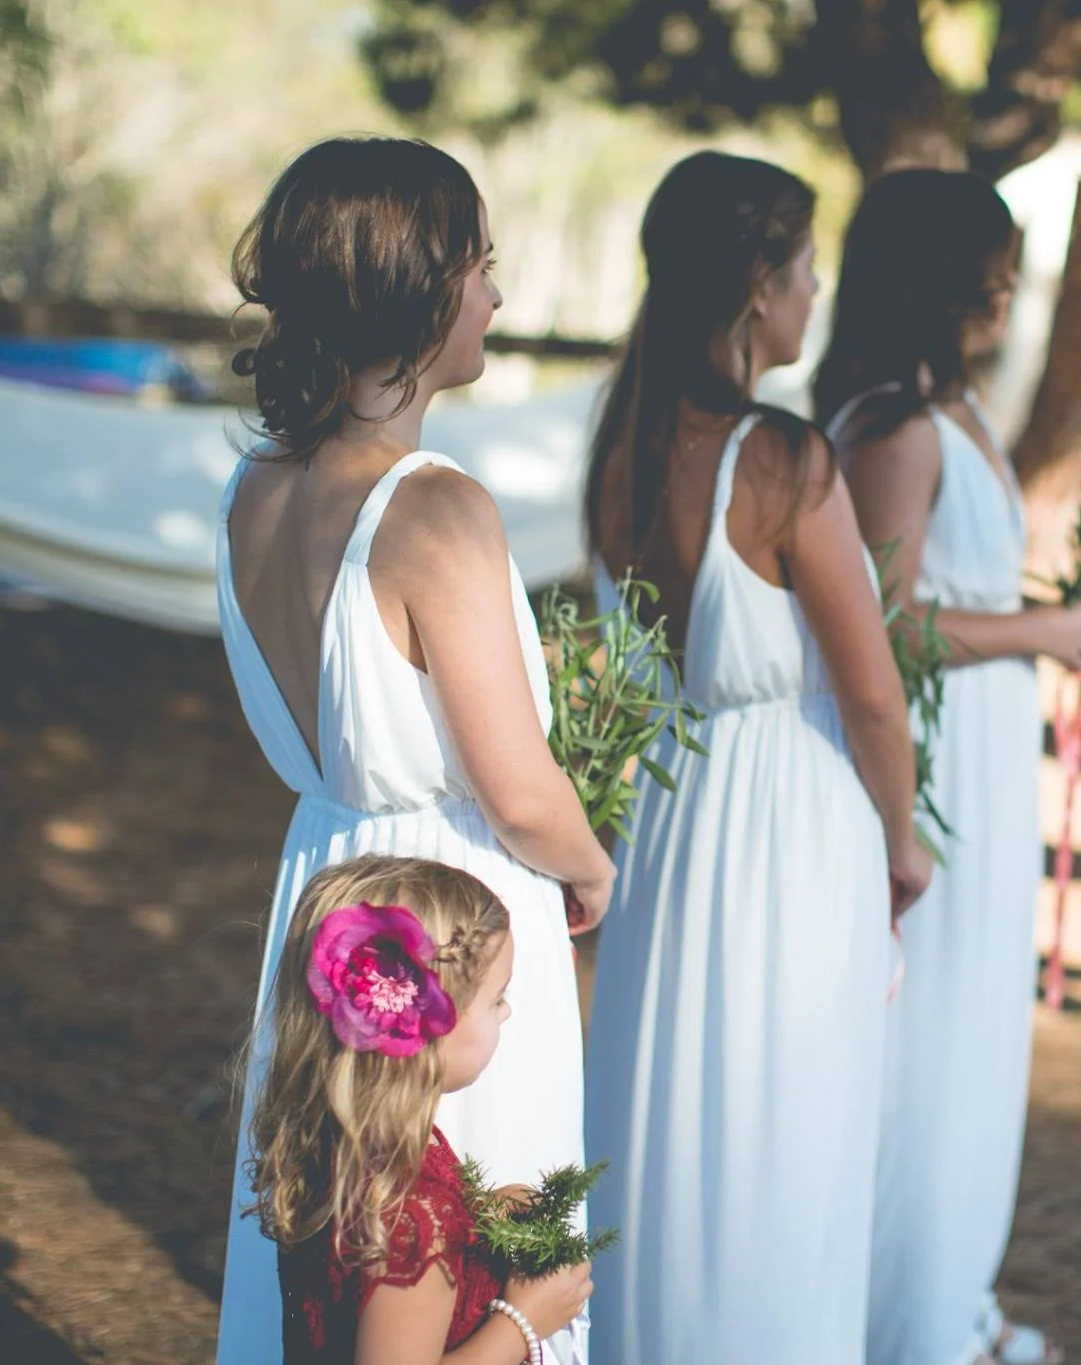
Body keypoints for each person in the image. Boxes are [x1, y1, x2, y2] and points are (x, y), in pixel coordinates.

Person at [215, 137, 614, 1365]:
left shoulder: (256, 489)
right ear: (414, 290)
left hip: (326, 891)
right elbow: (516, 787)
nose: (494, 293)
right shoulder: (434, 505)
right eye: (477, 265)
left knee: (338, 1247)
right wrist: (591, 868)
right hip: (446, 917)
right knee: (459, 1251)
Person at [581, 151, 930, 1365]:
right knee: (783, 1132)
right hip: (788, 828)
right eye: (805, 269)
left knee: (670, 1123)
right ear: (755, 289)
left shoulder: (619, 448)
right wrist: (901, 846)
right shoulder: (781, 460)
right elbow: (871, 695)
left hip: (671, 819)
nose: (816, 294)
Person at [815, 169, 1081, 1365]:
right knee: (931, 1039)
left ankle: (953, 1297)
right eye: (986, 275)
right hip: (933, 758)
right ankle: (909, 1324)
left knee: (978, 1029)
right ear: (930, 282)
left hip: (987, 744)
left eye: (1008, 274)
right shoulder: (892, 428)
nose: (1002, 295)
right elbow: (877, 626)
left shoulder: (961, 409)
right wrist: (1042, 630)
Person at [249, 855, 595, 1364]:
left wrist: (481, 1216)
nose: (507, 1012)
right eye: (496, 999)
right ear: (429, 1028)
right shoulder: (410, 1219)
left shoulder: (348, 1140)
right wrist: (522, 1321)